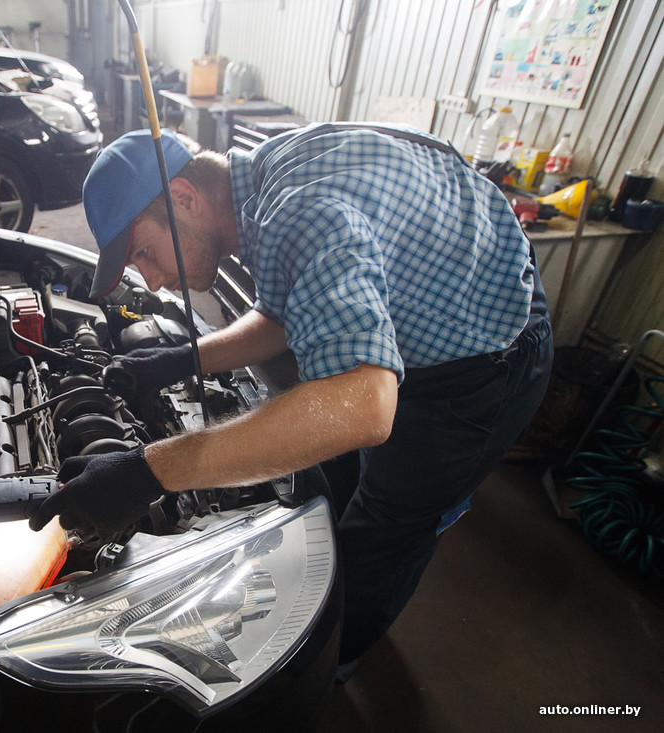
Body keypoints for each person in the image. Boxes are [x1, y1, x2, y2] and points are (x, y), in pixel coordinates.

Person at [28, 125, 553, 674]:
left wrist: (148, 471)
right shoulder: (260, 184)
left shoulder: (298, 213)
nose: (153, 282)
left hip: (486, 360)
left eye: (144, 252)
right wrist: (182, 360)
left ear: (184, 198)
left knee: (385, 526)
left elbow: (364, 408)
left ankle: (331, 664)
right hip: (429, 323)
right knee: (334, 483)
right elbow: (282, 315)